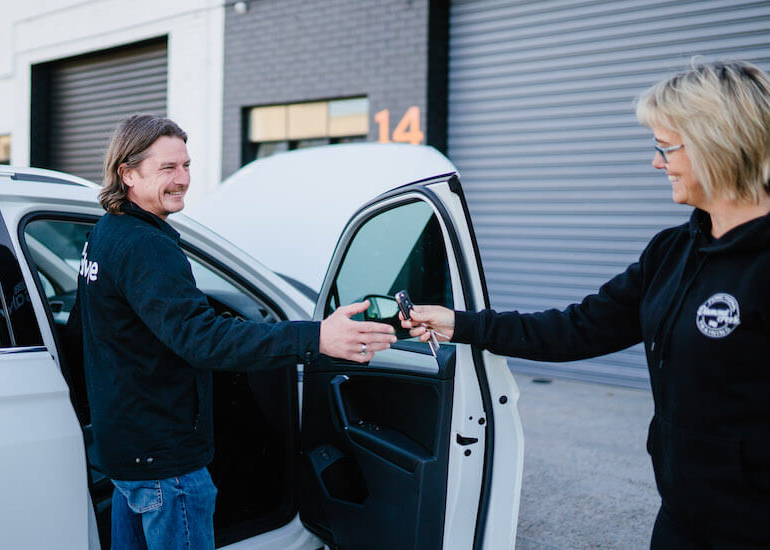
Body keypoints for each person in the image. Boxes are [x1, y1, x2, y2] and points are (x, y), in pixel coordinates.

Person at [403, 59, 770, 549]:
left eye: (665, 147)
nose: (656, 163)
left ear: (718, 144)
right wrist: (461, 324)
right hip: (683, 515)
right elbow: (578, 328)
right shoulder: (671, 251)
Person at [77, 114, 396, 550]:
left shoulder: (106, 233)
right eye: (168, 168)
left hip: (127, 451)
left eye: (186, 165)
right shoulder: (145, 245)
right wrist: (316, 337)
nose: (182, 179)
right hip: (165, 463)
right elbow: (203, 339)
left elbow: (96, 328)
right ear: (127, 173)